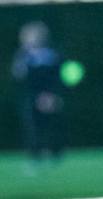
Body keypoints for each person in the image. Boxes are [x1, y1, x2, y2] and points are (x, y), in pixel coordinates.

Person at [11, 21, 65, 165]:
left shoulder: (52, 53)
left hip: (50, 94)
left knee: (52, 126)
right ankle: (35, 155)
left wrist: (51, 95)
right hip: (30, 95)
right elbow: (18, 75)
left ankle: (56, 154)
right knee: (32, 126)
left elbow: (58, 75)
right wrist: (23, 55)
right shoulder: (23, 55)